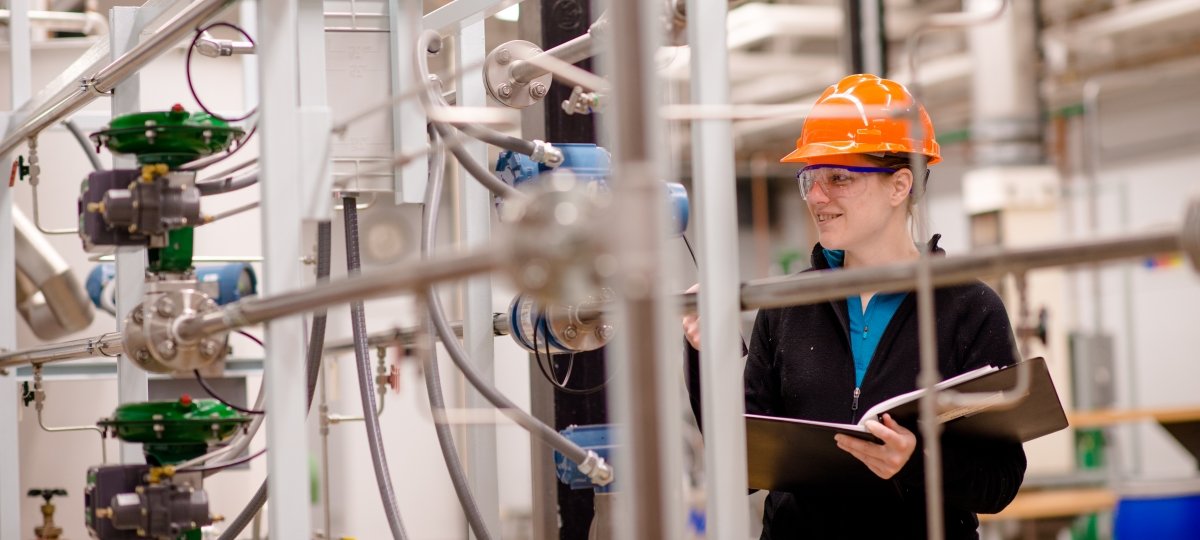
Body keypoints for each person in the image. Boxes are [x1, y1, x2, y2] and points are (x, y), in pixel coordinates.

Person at [682, 74, 1026, 539]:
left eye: (839, 178)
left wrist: (917, 463)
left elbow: (999, 480)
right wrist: (710, 355)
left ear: (900, 185)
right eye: (811, 180)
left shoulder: (968, 307)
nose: (817, 198)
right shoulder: (787, 305)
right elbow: (738, 466)